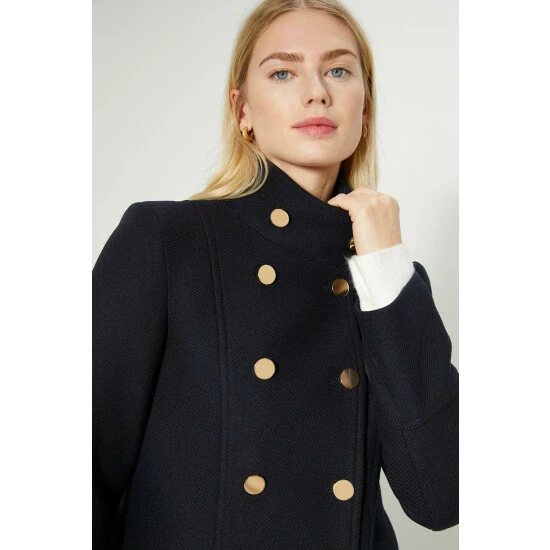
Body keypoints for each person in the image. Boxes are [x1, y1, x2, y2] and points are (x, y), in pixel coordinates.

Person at [93, 1, 459, 548]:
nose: (317, 92)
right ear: (242, 111)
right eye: (283, 72)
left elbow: (441, 497)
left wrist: (385, 264)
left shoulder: (390, 281)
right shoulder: (168, 240)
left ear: (365, 110)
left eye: (339, 70)